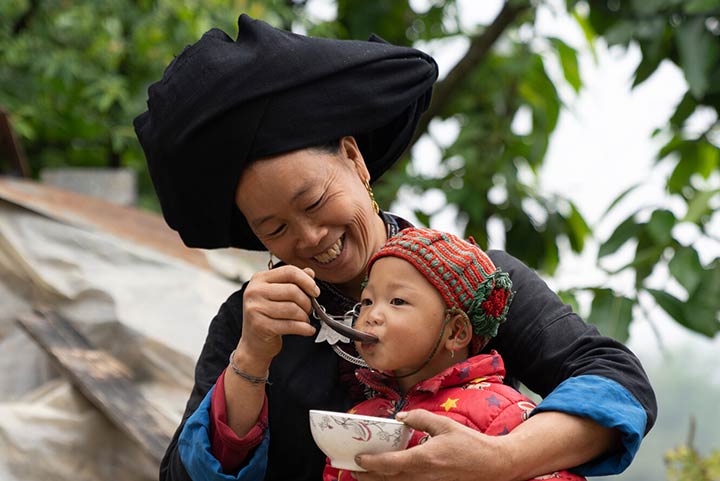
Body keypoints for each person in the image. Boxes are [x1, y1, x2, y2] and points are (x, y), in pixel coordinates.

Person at [133, 13, 656, 481]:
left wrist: (503, 459)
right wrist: (249, 361)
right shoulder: (250, 323)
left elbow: (618, 382)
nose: (309, 237)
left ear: (355, 159)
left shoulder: (475, 282)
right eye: (273, 228)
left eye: (314, 201)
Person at [322, 227, 584, 481]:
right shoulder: (358, 419)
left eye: (397, 301)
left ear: (456, 331)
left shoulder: (506, 414)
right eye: (367, 301)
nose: (371, 316)